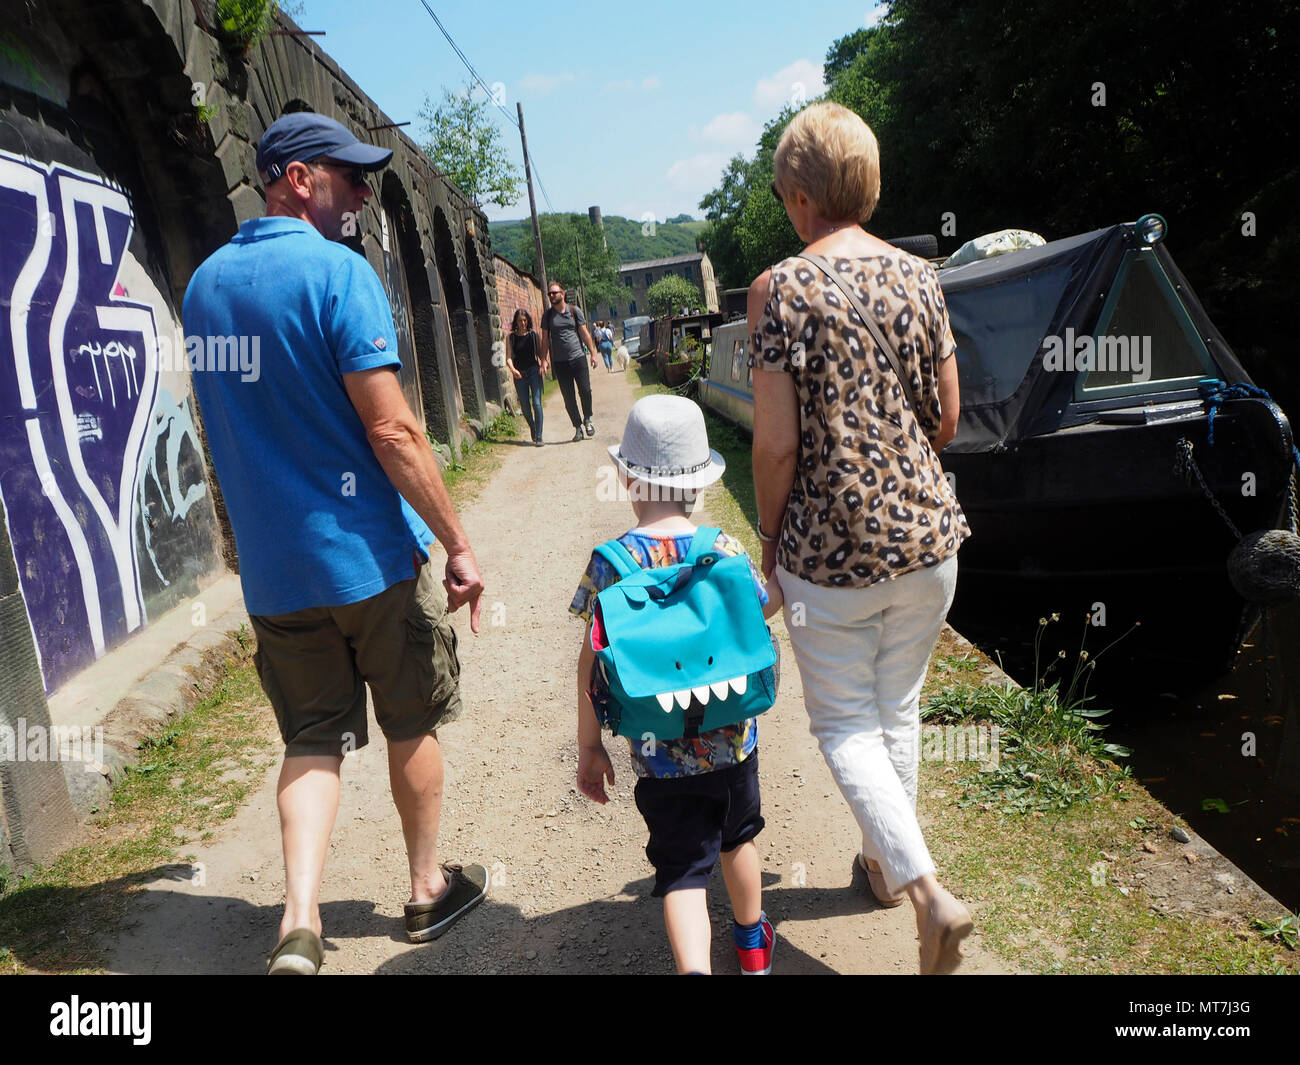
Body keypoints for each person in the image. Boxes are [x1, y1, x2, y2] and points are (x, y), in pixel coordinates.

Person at [183, 111, 489, 975]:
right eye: (347, 176)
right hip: (366, 560)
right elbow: (393, 432)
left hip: (277, 576)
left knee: (313, 739)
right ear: (292, 175)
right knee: (409, 716)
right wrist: (456, 540)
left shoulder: (203, 286)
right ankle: (427, 887)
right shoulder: (338, 275)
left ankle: (300, 922)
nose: (362, 193)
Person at [748, 101, 974, 975]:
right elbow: (948, 418)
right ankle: (884, 874)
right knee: (898, 710)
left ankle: (925, 892)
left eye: (782, 196)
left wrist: (771, 542)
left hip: (830, 557)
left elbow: (774, 444)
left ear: (802, 195)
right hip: (929, 547)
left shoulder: (784, 288)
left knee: (845, 724)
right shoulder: (923, 280)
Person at [570, 395, 783, 975]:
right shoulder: (724, 549)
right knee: (740, 841)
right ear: (700, 484)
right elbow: (759, 612)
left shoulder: (610, 564)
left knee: (684, 871)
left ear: (627, 478)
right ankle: (752, 949)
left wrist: (590, 747)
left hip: (658, 758)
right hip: (734, 745)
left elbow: (590, 663)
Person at [539, 284, 599, 441]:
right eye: (549, 294)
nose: (551, 296)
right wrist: (543, 359)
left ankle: (587, 419)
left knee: (585, 391)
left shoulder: (574, 311)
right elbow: (545, 339)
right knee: (568, 397)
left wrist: (593, 353)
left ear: (562, 294)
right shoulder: (548, 316)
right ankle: (578, 427)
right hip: (560, 363)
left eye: (554, 293)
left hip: (578, 358)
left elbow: (584, 333)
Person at [505, 308, 544, 446]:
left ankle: (539, 436)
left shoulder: (533, 335)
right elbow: (508, 357)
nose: (523, 323)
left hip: (534, 371)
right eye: (520, 320)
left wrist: (544, 363)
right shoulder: (511, 337)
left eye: (525, 320)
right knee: (526, 408)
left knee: (537, 403)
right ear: (516, 321)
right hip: (520, 375)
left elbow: (540, 353)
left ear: (528, 321)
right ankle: (533, 427)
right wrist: (513, 369)